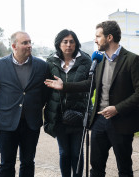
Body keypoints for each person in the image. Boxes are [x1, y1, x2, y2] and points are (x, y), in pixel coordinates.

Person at [45, 20, 139, 177]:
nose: (95, 40)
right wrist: (64, 86)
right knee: (96, 168)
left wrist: (117, 109)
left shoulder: (132, 59)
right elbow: (89, 84)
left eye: (98, 36)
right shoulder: (99, 60)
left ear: (109, 37)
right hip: (99, 121)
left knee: (124, 168)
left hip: (121, 122)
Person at [0, 31, 51, 177]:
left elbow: (45, 92)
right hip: (7, 124)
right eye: (25, 43)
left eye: (30, 42)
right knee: (6, 163)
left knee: (28, 162)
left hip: (31, 124)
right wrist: (4, 109)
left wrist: (34, 108)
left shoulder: (42, 66)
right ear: (14, 46)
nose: (29, 46)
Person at [43, 29, 92, 177]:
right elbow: (45, 86)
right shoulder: (51, 61)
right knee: (64, 153)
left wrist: (65, 86)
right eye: (65, 42)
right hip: (58, 115)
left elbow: (91, 84)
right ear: (59, 44)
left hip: (78, 114)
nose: (69, 45)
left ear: (76, 43)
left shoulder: (86, 60)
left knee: (77, 154)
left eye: (72, 41)